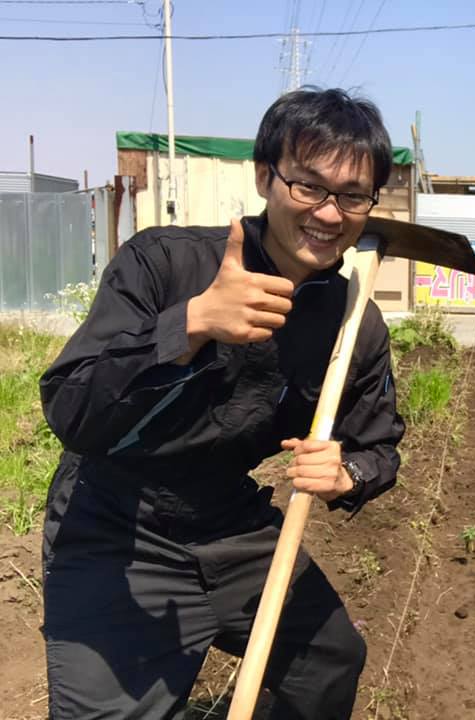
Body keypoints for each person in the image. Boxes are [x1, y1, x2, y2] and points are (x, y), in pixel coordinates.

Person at [39, 87, 405, 720]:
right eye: (308, 187)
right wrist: (193, 323)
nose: (329, 213)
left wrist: (349, 473)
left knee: (330, 660)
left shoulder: (354, 324)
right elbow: (71, 406)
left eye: (352, 196)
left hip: (229, 521)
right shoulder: (166, 263)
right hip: (116, 520)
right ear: (265, 176)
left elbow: (377, 445)